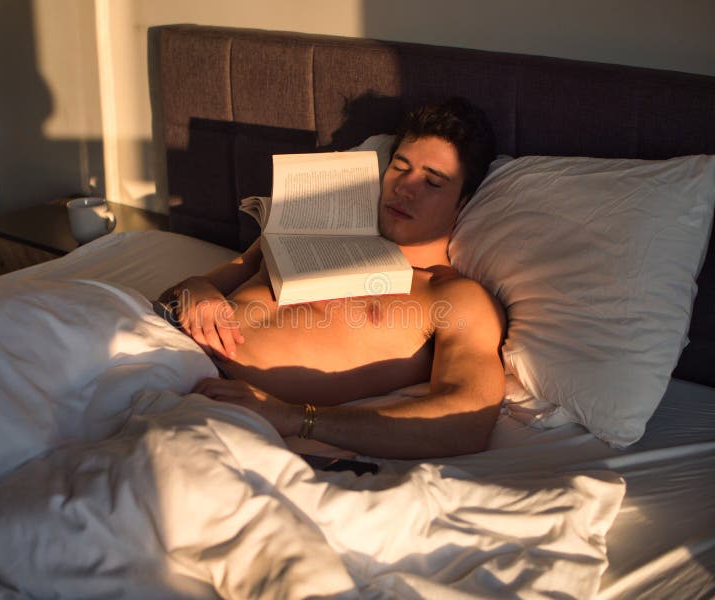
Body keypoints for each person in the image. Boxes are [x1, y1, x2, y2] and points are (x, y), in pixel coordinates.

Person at [158, 98, 506, 460]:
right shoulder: (306, 229)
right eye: (400, 167)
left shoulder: (453, 296)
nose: (406, 188)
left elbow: (467, 421)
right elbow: (181, 290)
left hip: (209, 397)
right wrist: (195, 290)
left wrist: (297, 419)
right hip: (156, 334)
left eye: (432, 182)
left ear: (463, 201)